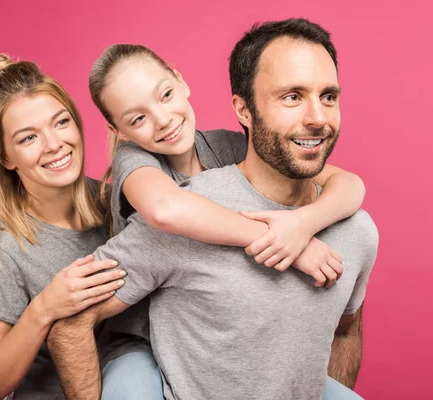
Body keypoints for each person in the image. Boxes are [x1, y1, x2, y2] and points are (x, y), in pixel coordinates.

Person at [47, 18, 378, 400]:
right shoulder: (141, 170)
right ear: (244, 110)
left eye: (329, 97)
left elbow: (348, 182)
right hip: (136, 337)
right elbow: (165, 209)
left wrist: (302, 224)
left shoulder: (229, 147)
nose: (317, 118)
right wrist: (279, 237)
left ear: (180, 81)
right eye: (291, 96)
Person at [0, 55, 128, 399]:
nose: (53, 144)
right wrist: (44, 308)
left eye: (60, 122)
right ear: (6, 158)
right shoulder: (5, 250)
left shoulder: (119, 203)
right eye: (27, 138)